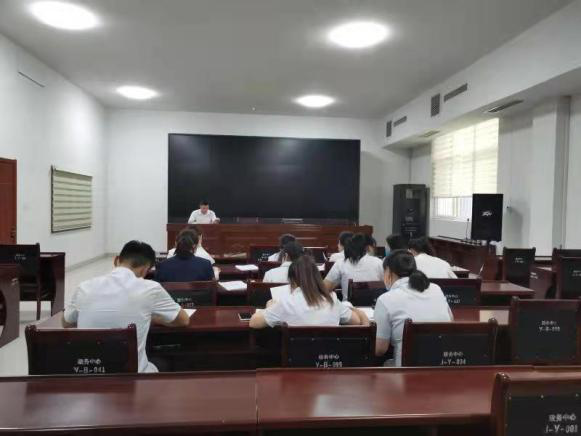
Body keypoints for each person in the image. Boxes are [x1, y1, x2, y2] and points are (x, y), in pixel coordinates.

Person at [63, 241, 190, 373]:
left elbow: (66, 322)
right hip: (132, 376)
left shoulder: (84, 287)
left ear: (116, 260)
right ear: (145, 270)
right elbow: (183, 320)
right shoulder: (151, 288)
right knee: (166, 360)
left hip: (90, 372)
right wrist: (153, 319)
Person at [374, 250, 453, 366]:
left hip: (405, 371)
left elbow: (380, 349)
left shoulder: (386, 299)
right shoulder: (436, 289)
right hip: (440, 366)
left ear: (389, 272)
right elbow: (451, 321)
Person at [249, 256, 369, 328]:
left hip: (296, 361)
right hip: (329, 361)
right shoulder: (332, 300)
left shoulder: (287, 302)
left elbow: (253, 322)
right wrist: (351, 307)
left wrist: (270, 307)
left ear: (293, 281)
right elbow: (357, 321)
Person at [323, 233, 384, 300]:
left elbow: (325, 288)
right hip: (375, 305)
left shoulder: (341, 263)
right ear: (368, 247)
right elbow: (387, 286)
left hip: (348, 305)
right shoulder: (379, 262)